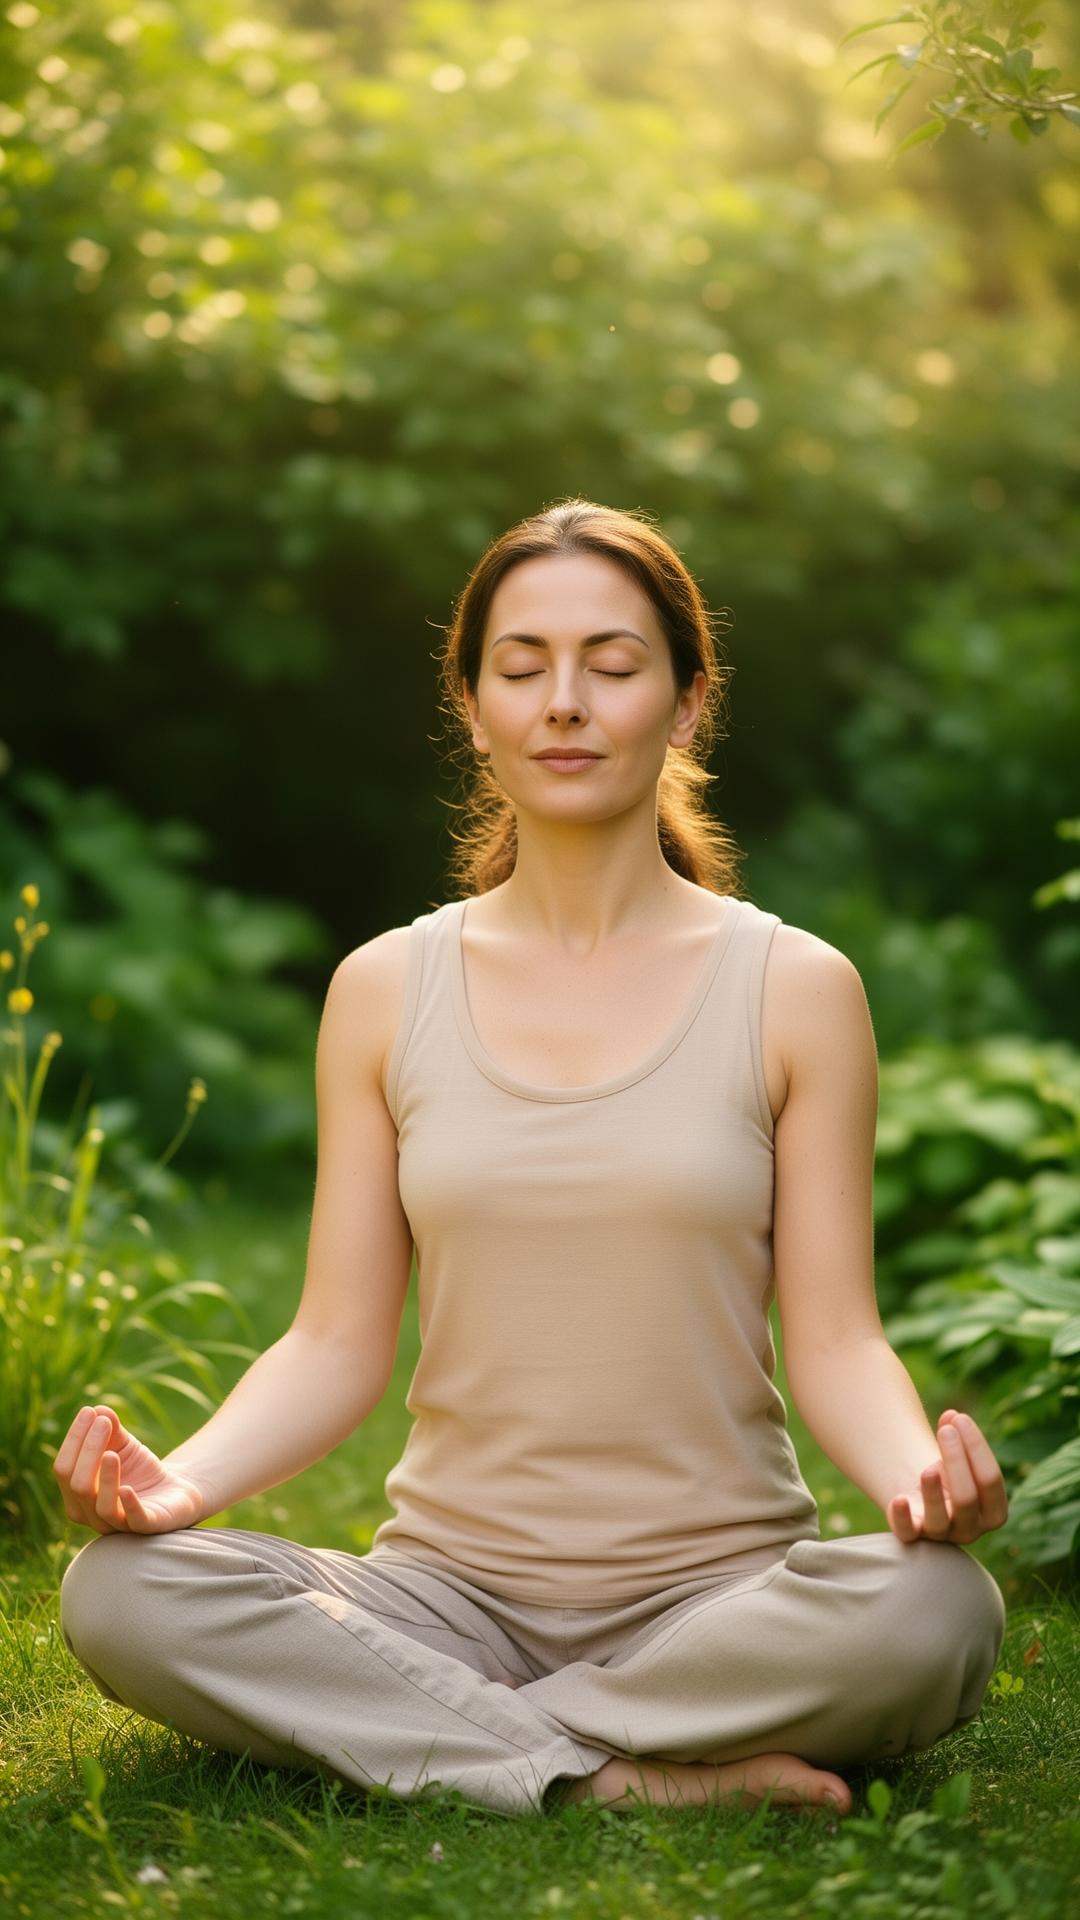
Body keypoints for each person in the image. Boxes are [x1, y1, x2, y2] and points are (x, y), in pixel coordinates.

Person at [55, 499, 1008, 1821]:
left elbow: (838, 1339)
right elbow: (335, 1340)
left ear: (687, 705)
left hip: (720, 1603)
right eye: (522, 668)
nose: (565, 701)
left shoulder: (795, 988)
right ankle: (618, 1776)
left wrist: (914, 1481)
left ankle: (442, 1733)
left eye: (612, 665)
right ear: (473, 708)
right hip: (447, 1597)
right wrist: (188, 1483)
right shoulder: (384, 988)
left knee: (939, 1611)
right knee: (121, 1591)